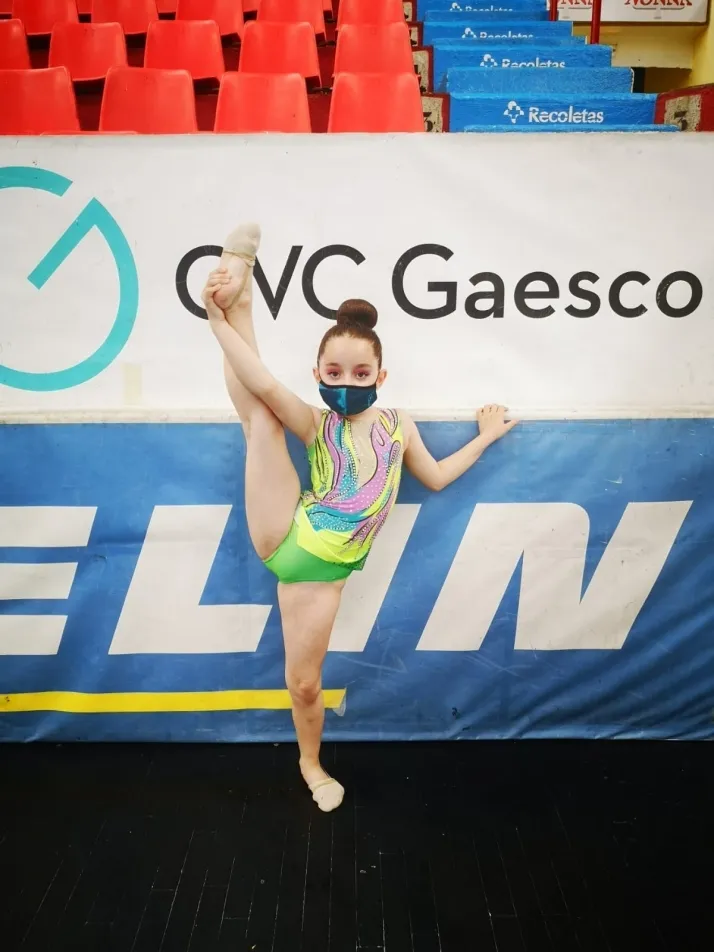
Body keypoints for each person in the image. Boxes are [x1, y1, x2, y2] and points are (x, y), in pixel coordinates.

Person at [203, 223, 517, 813]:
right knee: (262, 418)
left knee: (305, 684)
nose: (346, 383)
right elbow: (261, 381)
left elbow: (436, 477)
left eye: (360, 374)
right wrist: (216, 322)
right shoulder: (315, 423)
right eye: (334, 374)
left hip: (324, 574)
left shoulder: (399, 425)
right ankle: (237, 300)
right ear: (319, 375)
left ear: (379, 376)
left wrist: (485, 437)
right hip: (287, 531)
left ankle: (310, 762)